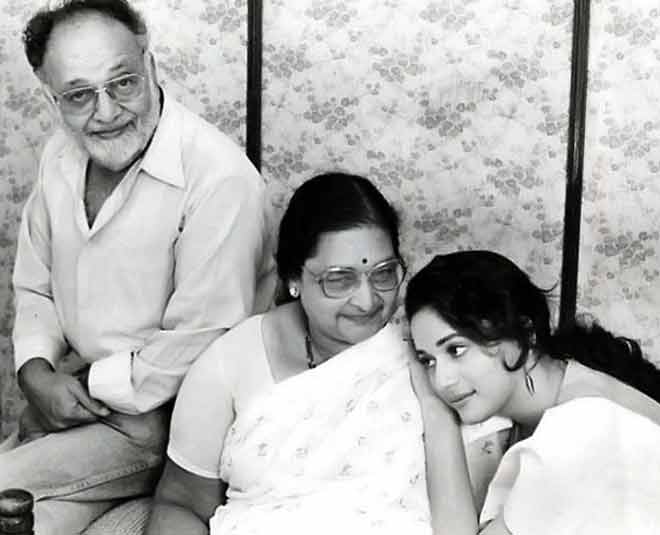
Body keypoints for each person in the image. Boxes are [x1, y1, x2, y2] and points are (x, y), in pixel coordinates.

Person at [0, 1, 275, 533]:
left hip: (169, 422)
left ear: (149, 63)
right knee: (25, 524)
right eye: (79, 95)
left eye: (123, 82)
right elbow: (34, 284)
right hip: (83, 404)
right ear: (49, 96)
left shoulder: (219, 179)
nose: (106, 112)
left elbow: (201, 339)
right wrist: (35, 372)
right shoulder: (60, 153)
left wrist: (77, 387)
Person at [146, 173, 511, 535]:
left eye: (384, 275)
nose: (368, 301)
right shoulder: (230, 362)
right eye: (339, 279)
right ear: (293, 278)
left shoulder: (437, 355)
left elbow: (475, 501)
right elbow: (182, 502)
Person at [405, 250, 660, 535]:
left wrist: (435, 413)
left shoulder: (581, 426)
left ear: (524, 331)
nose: (442, 380)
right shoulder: (565, 393)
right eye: (428, 361)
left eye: (456, 349)